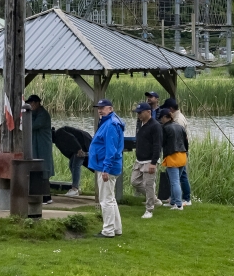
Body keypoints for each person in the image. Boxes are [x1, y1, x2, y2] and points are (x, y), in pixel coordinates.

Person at [88, 99, 125, 238]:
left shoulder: (110, 125)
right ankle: (116, 228)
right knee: (111, 198)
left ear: (110, 108)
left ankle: (108, 230)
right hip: (106, 165)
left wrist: (106, 169)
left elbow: (111, 149)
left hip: (106, 167)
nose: (100, 110)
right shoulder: (109, 121)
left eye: (103, 107)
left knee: (105, 200)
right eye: (98, 107)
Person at [131, 102, 163, 218]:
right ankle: (154, 198)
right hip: (139, 159)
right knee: (134, 181)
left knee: (149, 184)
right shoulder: (140, 123)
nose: (138, 115)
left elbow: (157, 145)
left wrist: (153, 163)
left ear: (148, 112)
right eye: (137, 113)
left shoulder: (155, 126)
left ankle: (149, 209)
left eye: (140, 113)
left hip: (150, 160)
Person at [158, 108, 191, 209]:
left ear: (164, 117)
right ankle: (172, 201)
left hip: (172, 157)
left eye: (161, 118)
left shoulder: (165, 128)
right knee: (175, 180)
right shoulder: (180, 127)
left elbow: (162, 142)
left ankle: (178, 204)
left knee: (175, 181)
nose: (160, 120)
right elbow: (186, 142)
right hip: (182, 156)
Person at [27, 95, 54, 204]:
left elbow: (32, 126)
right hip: (36, 145)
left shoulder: (43, 115)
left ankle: (46, 196)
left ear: (37, 103)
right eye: (29, 103)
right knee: (36, 170)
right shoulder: (35, 114)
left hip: (43, 146)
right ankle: (41, 195)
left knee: (43, 170)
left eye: (32, 103)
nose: (31, 105)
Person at [53, 126, 92, 196]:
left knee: (76, 165)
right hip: (78, 146)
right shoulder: (57, 140)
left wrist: (79, 149)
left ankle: (75, 189)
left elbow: (71, 138)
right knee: (71, 165)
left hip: (82, 143)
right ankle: (77, 187)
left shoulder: (59, 133)